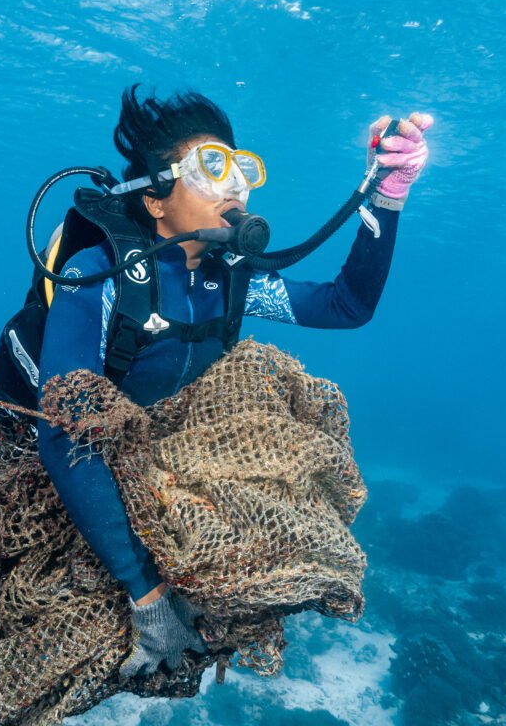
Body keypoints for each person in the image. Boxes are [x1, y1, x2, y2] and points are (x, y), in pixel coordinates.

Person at [37, 84, 433, 677]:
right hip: (54, 462)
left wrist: (388, 193)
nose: (235, 185)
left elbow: (347, 306)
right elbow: (62, 437)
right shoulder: (101, 275)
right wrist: (145, 596)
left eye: (242, 169)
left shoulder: (232, 279)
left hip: (151, 458)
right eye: (212, 168)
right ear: (155, 201)